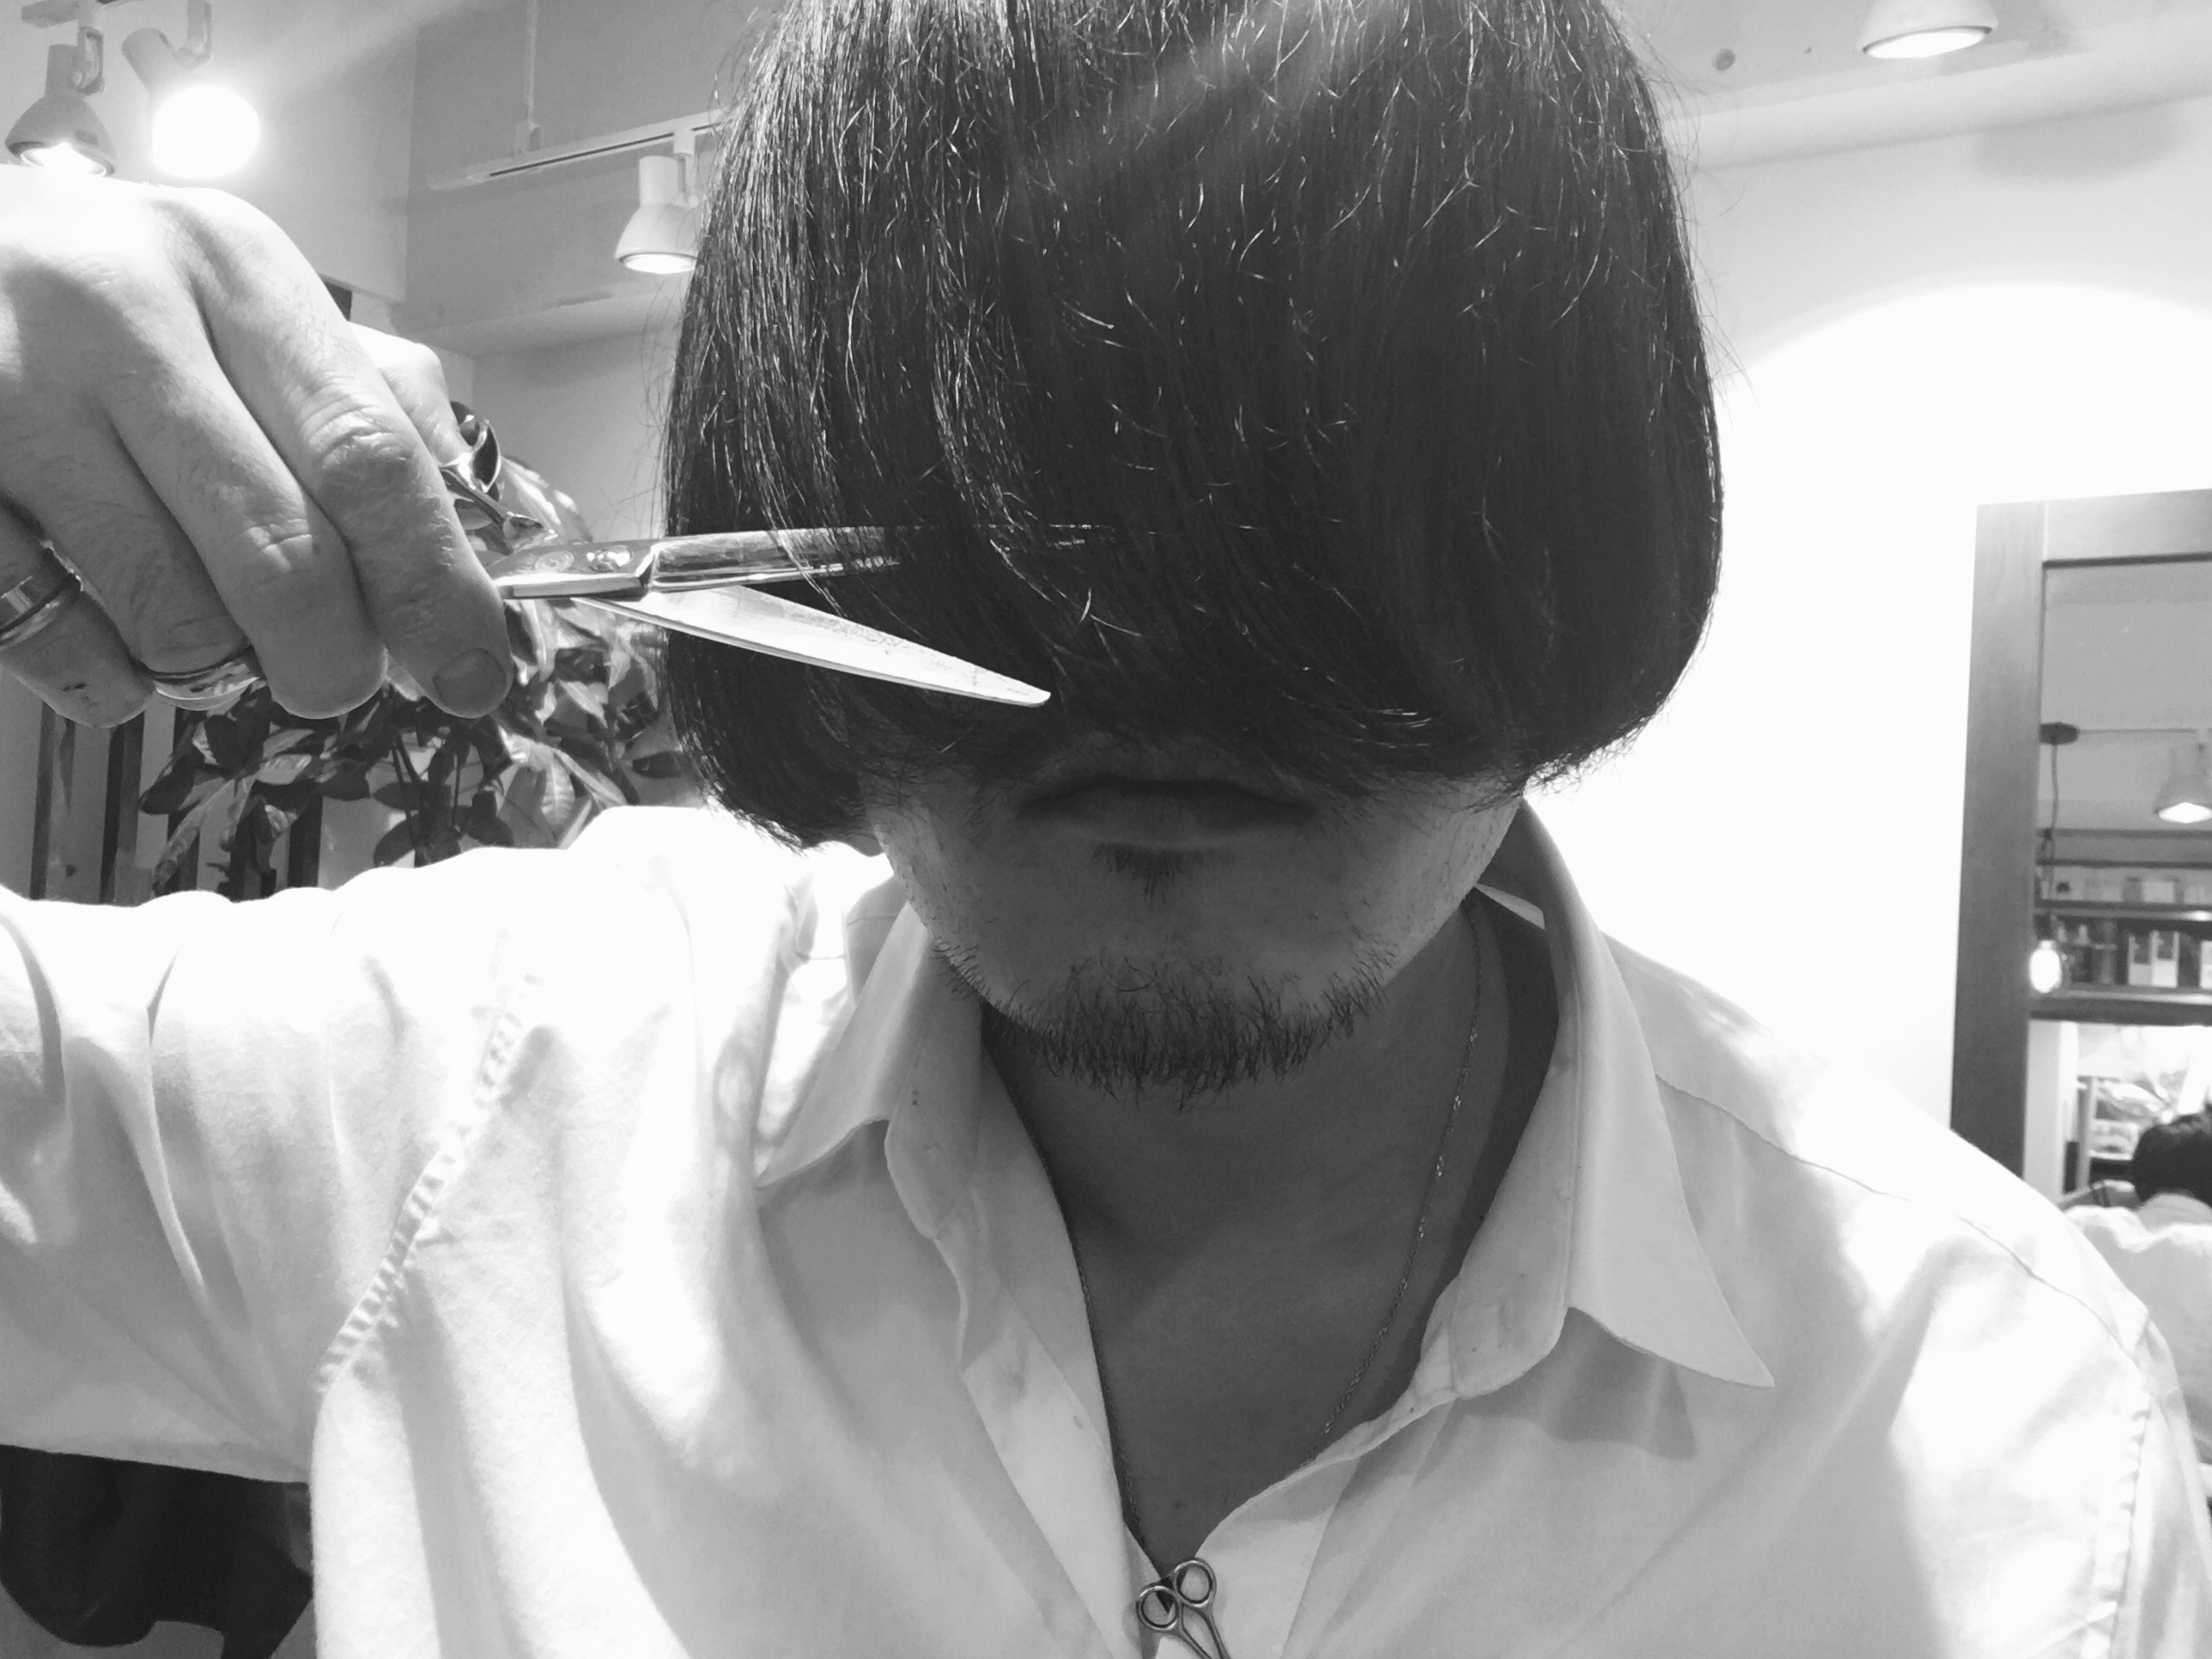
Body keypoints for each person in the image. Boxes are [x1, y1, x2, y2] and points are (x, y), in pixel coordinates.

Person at [0, 0, 2207, 1653]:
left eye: (1319, 562)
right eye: (1007, 557)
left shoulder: (1995, 1442)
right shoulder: (474, 1095)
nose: (1154, 694)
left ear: (1569, 538)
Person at [2071, 1114, 2212, 1473]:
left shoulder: (2081, 1227)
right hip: (2194, 1479)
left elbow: (2015, 1223)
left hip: (2079, 1462)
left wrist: (2101, 1192)